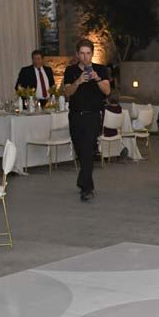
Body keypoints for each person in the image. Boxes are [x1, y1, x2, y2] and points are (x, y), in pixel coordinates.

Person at [62, 39, 111, 202]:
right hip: (76, 116)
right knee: (80, 150)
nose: (85, 56)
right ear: (77, 54)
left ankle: (87, 188)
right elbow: (67, 92)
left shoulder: (101, 69)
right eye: (82, 53)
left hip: (93, 116)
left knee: (88, 150)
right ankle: (83, 180)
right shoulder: (70, 70)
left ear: (92, 54)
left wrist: (97, 79)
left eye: (88, 53)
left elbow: (107, 91)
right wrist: (78, 81)